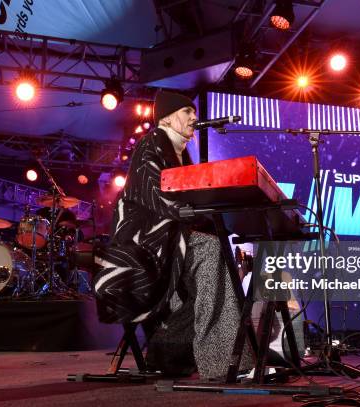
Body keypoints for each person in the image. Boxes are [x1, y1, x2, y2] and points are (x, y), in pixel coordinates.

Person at [93, 90, 252, 378]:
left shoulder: (180, 151)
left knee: (220, 255)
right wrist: (189, 213)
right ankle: (219, 362)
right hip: (146, 238)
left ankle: (168, 347)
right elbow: (153, 194)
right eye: (186, 112)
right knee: (213, 252)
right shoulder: (152, 143)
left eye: (194, 112)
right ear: (166, 117)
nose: (194, 117)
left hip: (172, 232)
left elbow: (193, 196)